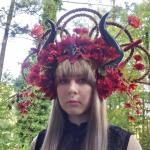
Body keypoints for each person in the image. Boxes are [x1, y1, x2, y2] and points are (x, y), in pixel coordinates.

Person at [24, 8, 144, 150]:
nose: (71, 89)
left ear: (98, 86)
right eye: (63, 81)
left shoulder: (127, 145)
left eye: (82, 80)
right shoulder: (39, 143)